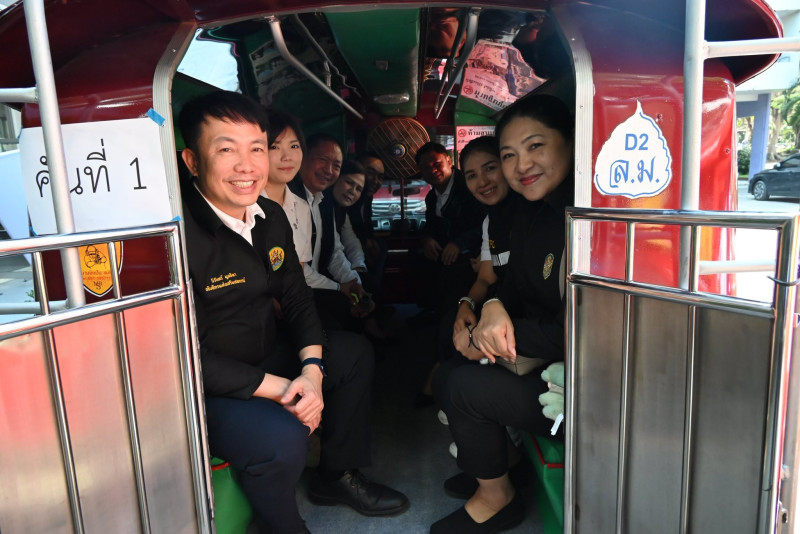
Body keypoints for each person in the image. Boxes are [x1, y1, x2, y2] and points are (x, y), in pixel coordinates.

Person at [178, 90, 408, 534]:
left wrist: (312, 372)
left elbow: (298, 297)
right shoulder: (178, 233)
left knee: (353, 355)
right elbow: (186, 357)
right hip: (213, 389)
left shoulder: (269, 215)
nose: (247, 166)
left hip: (270, 354)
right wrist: (286, 389)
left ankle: (335, 476)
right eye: (226, 150)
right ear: (191, 161)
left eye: (256, 149)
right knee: (283, 441)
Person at [431, 94, 574, 533]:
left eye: (536, 146)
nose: (521, 165)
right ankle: (499, 464)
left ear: (570, 142)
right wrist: (486, 309)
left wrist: (490, 339)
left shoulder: (586, 219)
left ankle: (497, 497)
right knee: (451, 370)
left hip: (583, 388)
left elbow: (579, 332)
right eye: (510, 154)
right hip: (545, 357)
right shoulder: (532, 213)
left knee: (462, 385)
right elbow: (509, 284)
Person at [416, 135, 516, 407]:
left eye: (490, 168)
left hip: (472, 265)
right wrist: (467, 303)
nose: (482, 182)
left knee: (453, 295)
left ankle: (442, 366)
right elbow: (486, 276)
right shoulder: (436, 199)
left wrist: (459, 244)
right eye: (472, 175)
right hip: (476, 275)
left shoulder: (519, 214)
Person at [288, 133, 372, 330]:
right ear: (303, 158)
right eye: (323, 160)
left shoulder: (324, 203)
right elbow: (296, 268)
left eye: (336, 165)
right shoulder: (288, 199)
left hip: (315, 285)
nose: (328, 170)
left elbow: (334, 250)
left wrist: (351, 281)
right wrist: (339, 287)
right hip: (294, 290)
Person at [411, 142, 485, 323]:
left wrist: (459, 243)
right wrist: (427, 239)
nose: (433, 170)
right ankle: (432, 310)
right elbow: (430, 225)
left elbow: (484, 224)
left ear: (449, 161)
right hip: (444, 248)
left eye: (437, 164)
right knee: (416, 257)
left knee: (451, 274)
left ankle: (451, 317)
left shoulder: (468, 186)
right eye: (426, 168)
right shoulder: (431, 197)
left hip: (474, 249)